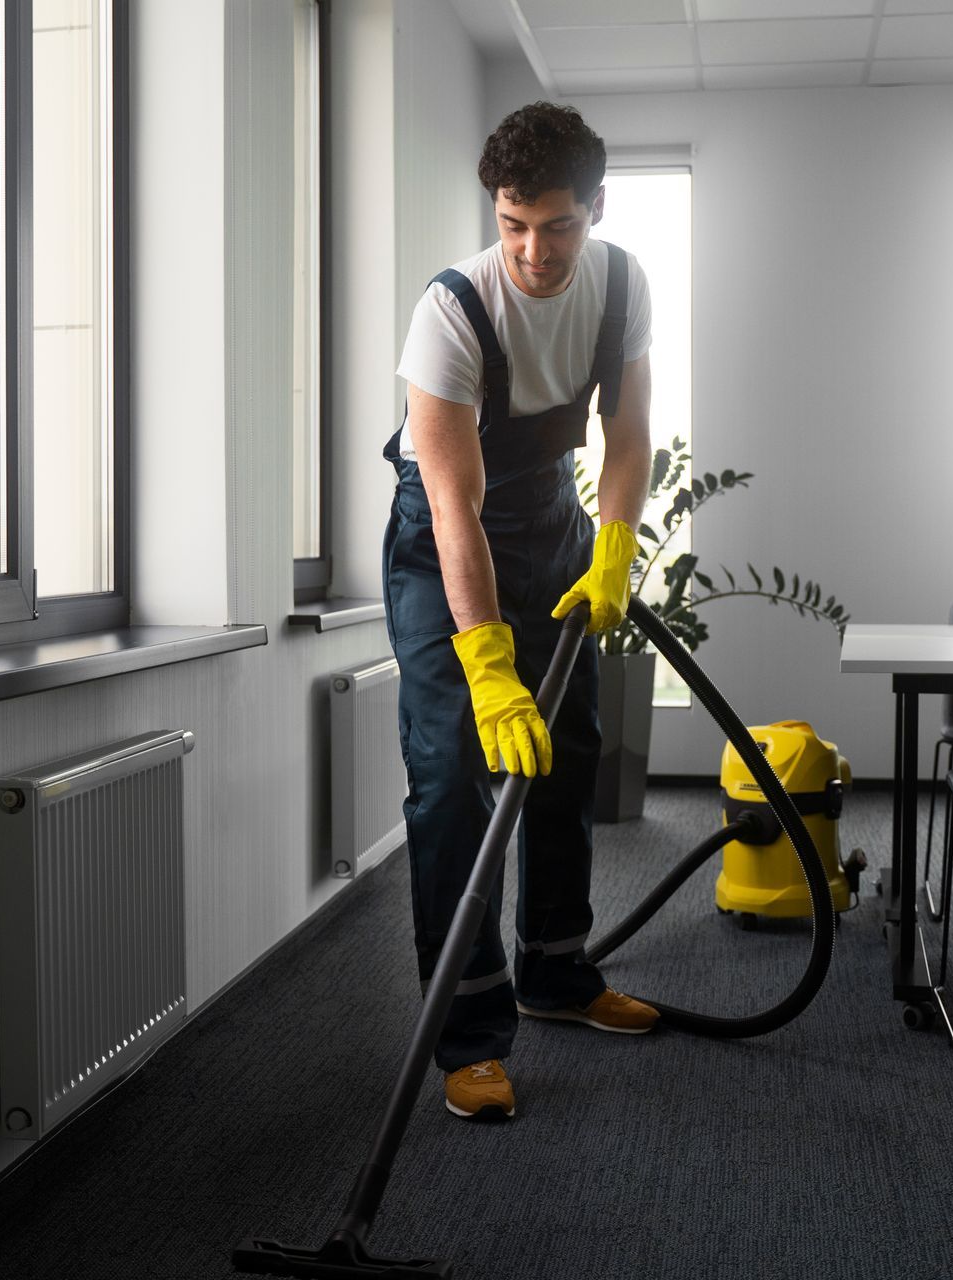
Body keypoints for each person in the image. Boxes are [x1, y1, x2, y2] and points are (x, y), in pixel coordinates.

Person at [382, 102, 659, 1121]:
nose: (534, 251)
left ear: (596, 209)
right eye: (513, 225)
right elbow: (455, 506)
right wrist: (489, 664)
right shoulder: (453, 311)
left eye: (557, 225)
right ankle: (467, 1031)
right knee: (454, 776)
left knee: (569, 747)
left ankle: (556, 970)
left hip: (551, 519)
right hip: (443, 544)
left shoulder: (621, 284)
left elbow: (628, 435)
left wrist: (615, 548)